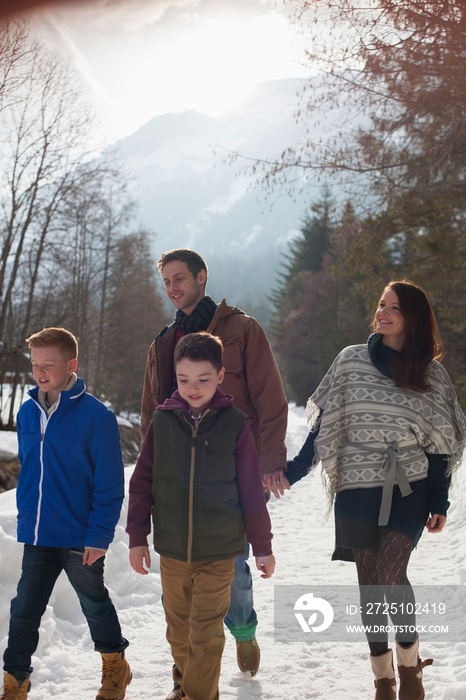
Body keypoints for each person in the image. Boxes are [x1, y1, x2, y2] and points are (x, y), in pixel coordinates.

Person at [286, 281, 466, 700]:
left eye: (394, 308)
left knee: (390, 570)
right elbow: (324, 426)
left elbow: (441, 444)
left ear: (413, 319)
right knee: (369, 582)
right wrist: (295, 470)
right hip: (355, 483)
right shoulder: (350, 361)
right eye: (381, 305)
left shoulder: (432, 375)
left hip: (410, 484)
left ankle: (409, 668)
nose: (382, 313)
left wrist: (439, 500)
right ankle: (383, 678)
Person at [140, 248, 287, 694]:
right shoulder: (164, 342)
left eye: (180, 278)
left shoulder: (242, 330)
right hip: (180, 477)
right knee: (178, 593)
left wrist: (271, 460)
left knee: (236, 571)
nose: (172, 287)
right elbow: (152, 412)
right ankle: (185, 679)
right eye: (166, 281)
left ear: (202, 277)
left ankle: (243, 632)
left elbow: (269, 395)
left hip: (233, 466)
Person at [128, 332, 275, 700]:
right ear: (175, 376)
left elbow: (251, 492)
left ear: (221, 376)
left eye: (203, 379)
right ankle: (185, 683)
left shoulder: (235, 424)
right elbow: (142, 482)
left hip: (220, 550)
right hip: (173, 549)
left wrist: (262, 546)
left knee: (206, 632)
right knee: (179, 631)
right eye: (183, 380)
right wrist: (136, 538)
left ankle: (196, 695)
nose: (193, 388)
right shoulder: (161, 423)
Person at [1, 328, 131, 700]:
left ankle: (115, 666)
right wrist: (27, 515)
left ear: (71, 365)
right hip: (39, 534)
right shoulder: (27, 412)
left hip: (79, 535)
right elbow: (31, 471)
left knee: (94, 605)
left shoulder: (97, 417)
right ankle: (15, 681)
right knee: (25, 608)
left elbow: (109, 484)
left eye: (49, 365)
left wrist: (98, 535)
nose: (40, 372)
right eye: (35, 364)